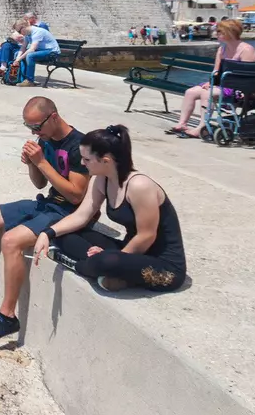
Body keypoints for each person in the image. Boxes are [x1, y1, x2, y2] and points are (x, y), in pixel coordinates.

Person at [0, 97, 90, 341]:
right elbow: (40, 183)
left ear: (54, 117)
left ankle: (7, 316)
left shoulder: (80, 146)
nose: (35, 132)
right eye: (29, 128)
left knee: (10, 241)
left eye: (37, 126)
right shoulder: (44, 140)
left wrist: (41, 162)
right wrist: (32, 166)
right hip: (48, 203)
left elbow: (77, 196)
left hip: (68, 212)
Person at [33, 125, 187, 293]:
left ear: (105, 161)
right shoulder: (101, 179)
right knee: (59, 227)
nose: (82, 164)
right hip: (128, 250)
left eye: (86, 159)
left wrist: (118, 256)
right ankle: (113, 274)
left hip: (163, 264)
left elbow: (147, 236)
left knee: (107, 262)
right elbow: (81, 216)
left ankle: (80, 266)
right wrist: (47, 233)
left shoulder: (139, 186)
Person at [168, 18, 255, 138]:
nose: (216, 34)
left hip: (240, 88)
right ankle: (182, 124)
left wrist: (216, 85)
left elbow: (247, 76)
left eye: (220, 32)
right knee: (190, 92)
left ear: (230, 32)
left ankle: (202, 127)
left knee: (207, 94)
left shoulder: (246, 50)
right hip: (224, 84)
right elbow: (216, 71)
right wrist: (211, 82)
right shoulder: (222, 49)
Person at [0, 12, 45, 79]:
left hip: (30, 48)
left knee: (5, 48)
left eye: (26, 19)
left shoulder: (41, 26)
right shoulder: (28, 27)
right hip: (20, 46)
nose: (25, 21)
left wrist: (22, 38)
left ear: (32, 18)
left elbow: (38, 41)